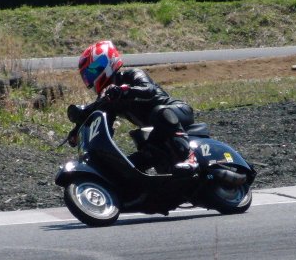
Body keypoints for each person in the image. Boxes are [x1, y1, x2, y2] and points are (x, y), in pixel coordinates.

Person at [68, 40, 198, 173]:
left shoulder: (132, 74)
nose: (92, 75)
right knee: (136, 156)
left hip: (177, 112)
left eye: (95, 68)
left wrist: (124, 91)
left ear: (108, 61)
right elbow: (101, 122)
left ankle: (189, 157)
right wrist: (78, 130)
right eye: (88, 73)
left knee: (159, 112)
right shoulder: (109, 98)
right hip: (157, 131)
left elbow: (149, 90)